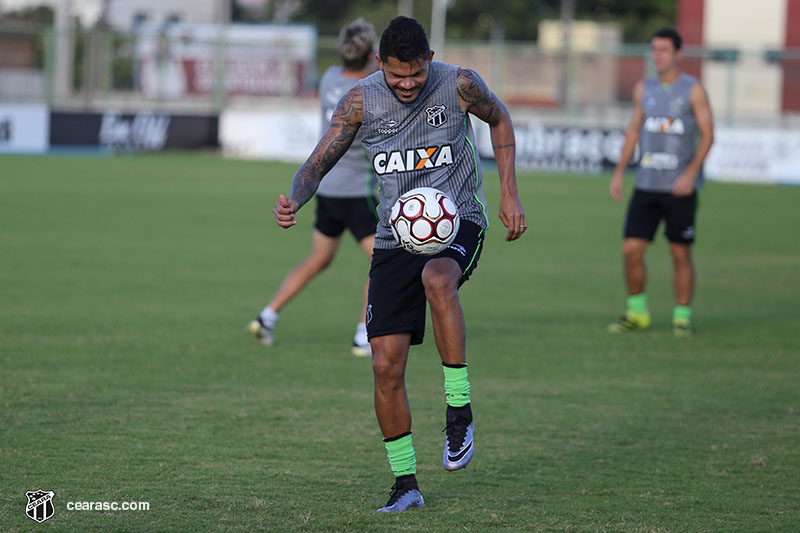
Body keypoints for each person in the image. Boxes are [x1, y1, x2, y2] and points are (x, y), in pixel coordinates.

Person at [274, 16, 527, 512]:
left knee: (438, 279)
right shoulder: (360, 100)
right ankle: (405, 484)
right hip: (395, 238)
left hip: (458, 222)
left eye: (415, 73)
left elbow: (499, 118)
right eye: (397, 76)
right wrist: (295, 199)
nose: (408, 84)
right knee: (385, 365)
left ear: (429, 60)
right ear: (378, 65)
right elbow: (319, 160)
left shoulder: (459, 84)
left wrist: (510, 193)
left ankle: (458, 408)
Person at [248, 18, 379, 356]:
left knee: (318, 260)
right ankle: (364, 333)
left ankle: (267, 316)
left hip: (324, 188)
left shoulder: (329, 78)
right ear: (369, 56)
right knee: (383, 261)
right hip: (357, 192)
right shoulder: (371, 89)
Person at [609, 27, 714, 337]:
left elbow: (708, 134)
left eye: (664, 50)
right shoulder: (644, 88)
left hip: (679, 188)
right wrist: (619, 171)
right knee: (631, 249)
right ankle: (636, 313)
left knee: (680, 253)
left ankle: (682, 316)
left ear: (678, 54)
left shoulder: (694, 90)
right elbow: (633, 131)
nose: (658, 55)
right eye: (654, 49)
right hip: (646, 184)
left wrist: (691, 173)